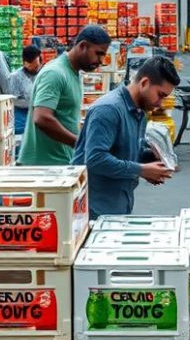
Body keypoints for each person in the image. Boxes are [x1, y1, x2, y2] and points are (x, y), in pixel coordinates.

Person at [73, 56, 180, 218]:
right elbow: (95, 159)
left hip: (118, 205)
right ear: (144, 83)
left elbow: (123, 150)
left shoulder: (139, 112)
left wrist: (151, 160)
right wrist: (142, 170)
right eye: (160, 95)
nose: (160, 103)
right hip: (93, 211)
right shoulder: (108, 110)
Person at [18, 25, 112, 166]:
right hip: (44, 167)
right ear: (83, 46)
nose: (100, 61)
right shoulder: (55, 73)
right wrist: (79, 143)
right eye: (98, 53)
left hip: (59, 163)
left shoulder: (72, 73)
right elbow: (42, 118)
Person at [7, 45, 44, 140]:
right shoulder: (15, 77)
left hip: (41, 116)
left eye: (37, 65)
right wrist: (32, 103)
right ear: (24, 63)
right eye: (32, 65)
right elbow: (14, 99)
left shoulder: (45, 74)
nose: (36, 68)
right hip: (21, 118)